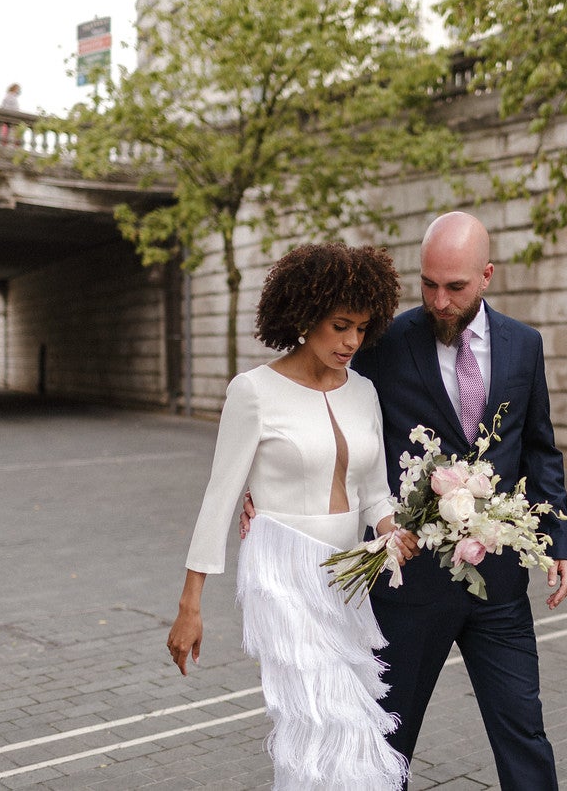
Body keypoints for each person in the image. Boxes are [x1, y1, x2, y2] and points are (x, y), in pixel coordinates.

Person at [244, 211, 567, 790]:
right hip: (410, 583)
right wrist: (262, 479)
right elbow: (319, 393)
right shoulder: (388, 341)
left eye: (455, 287)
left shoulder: (525, 346)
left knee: (524, 731)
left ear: (487, 276)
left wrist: (560, 541)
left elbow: (540, 450)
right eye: (428, 284)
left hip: (497, 586)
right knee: (386, 738)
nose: (439, 301)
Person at [166, 242, 419, 791]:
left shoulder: (365, 392)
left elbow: (374, 493)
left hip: (350, 574)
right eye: (339, 326)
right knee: (319, 720)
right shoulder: (253, 392)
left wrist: (392, 531)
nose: (352, 341)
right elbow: (219, 497)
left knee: (351, 721)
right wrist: (191, 604)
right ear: (305, 317)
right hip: (282, 572)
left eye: (362, 328)